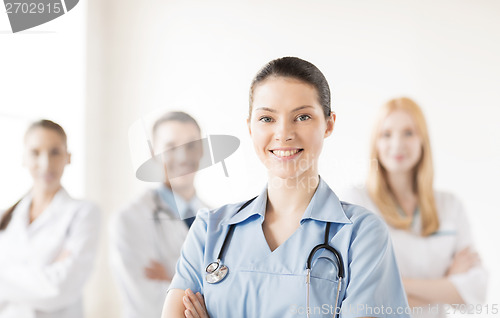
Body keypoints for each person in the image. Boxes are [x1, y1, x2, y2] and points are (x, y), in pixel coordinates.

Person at [161, 57, 410, 318]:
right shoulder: (209, 230)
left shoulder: (361, 235)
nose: (283, 133)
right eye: (267, 118)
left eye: (302, 117)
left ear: (329, 124)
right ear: (250, 127)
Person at [341, 97, 487, 317]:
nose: (397, 144)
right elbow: (358, 294)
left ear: (423, 140)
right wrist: (446, 284)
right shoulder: (357, 200)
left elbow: (477, 288)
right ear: (375, 143)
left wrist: (392, 286)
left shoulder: (450, 205)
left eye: (408, 133)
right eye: (386, 134)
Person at [109, 111, 208, 318]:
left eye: (191, 145)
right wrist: (206, 289)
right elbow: (147, 303)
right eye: (171, 148)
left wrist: (172, 277)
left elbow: (232, 296)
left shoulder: (218, 219)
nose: (183, 157)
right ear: (154, 154)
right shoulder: (129, 219)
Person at [0, 119, 101, 318]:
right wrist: (44, 273)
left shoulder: (84, 213)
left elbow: (60, 288)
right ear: (23, 158)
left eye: (55, 152)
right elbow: (48, 283)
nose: (46, 164)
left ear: (68, 157)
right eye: (35, 152)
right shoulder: (6, 217)